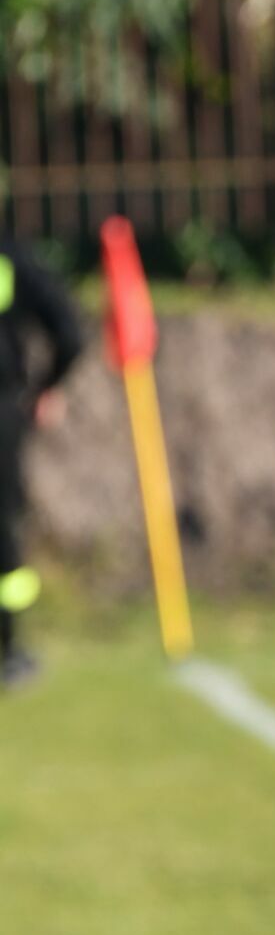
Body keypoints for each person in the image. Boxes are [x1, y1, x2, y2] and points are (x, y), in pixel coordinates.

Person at [0, 237, 83, 686]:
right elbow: (68, 332)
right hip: (3, 416)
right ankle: (10, 650)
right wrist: (50, 386)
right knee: (3, 531)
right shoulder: (11, 258)